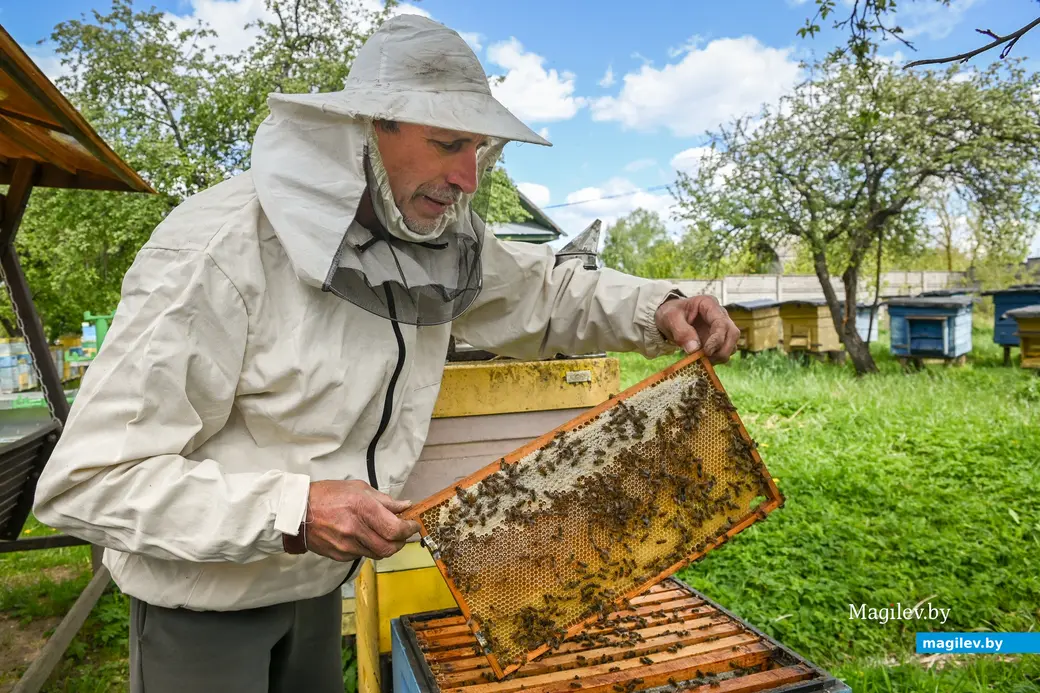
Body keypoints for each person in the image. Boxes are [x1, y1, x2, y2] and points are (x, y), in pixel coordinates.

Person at [32, 14, 739, 693]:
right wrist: (295, 508)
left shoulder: (434, 240)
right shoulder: (218, 251)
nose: (467, 175)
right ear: (368, 130)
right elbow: (91, 478)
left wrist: (659, 307)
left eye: (479, 151)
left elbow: (544, 292)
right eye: (446, 143)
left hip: (315, 588)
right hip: (201, 610)